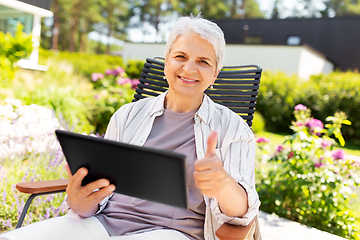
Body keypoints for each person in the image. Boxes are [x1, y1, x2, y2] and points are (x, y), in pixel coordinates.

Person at [0, 15, 260, 240]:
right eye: (180, 56)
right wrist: (80, 202)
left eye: (203, 61)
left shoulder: (232, 129)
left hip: (174, 233)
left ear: (215, 74)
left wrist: (223, 184)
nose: (189, 68)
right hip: (102, 225)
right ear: (167, 62)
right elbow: (100, 193)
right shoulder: (128, 115)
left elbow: (243, 212)